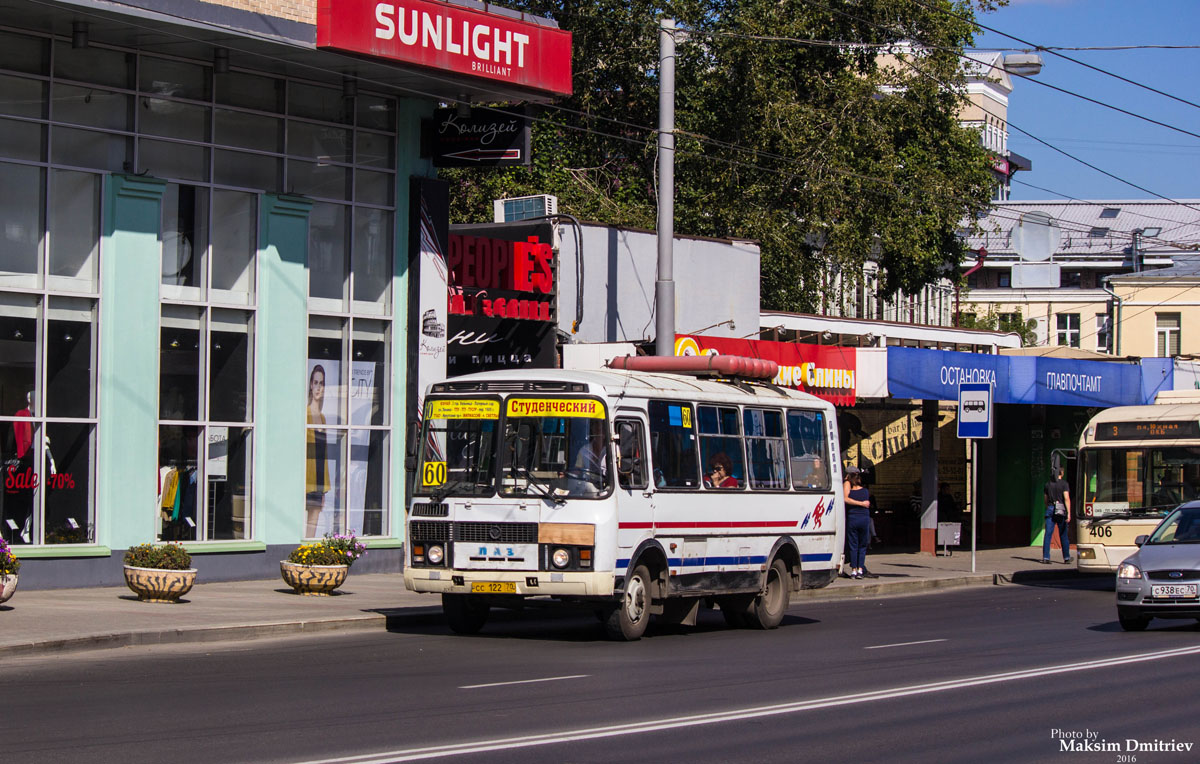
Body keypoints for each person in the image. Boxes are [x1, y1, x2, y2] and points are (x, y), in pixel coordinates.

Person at [305, 364, 331, 538]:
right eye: (315, 382)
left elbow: (324, 453)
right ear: (310, 385)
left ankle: (308, 553)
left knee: (314, 519)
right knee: (303, 518)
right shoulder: (304, 414)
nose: (318, 387)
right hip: (306, 478)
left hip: (318, 479)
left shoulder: (322, 418)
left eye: (321, 383)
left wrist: (324, 486)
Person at [844, 466, 872, 579]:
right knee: (862, 546)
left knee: (853, 546)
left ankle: (854, 570)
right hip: (864, 520)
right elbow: (867, 504)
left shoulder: (850, 492)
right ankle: (860, 569)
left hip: (852, 520)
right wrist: (862, 504)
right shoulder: (865, 492)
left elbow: (845, 499)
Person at [1043, 467, 1072, 564]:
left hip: (1051, 508)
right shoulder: (1064, 484)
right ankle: (1066, 557)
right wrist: (1068, 513)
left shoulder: (1047, 484)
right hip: (1061, 509)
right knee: (1063, 534)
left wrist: (1049, 507)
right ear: (1062, 473)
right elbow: (1066, 498)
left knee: (1048, 534)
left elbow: (1045, 500)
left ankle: (1046, 557)